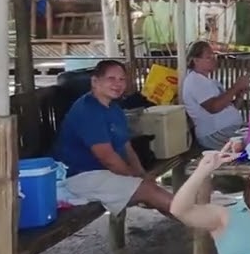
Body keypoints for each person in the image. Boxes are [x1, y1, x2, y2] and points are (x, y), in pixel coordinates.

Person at [55, 59, 175, 215]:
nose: (117, 84)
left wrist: (141, 174)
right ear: (95, 81)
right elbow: (108, 158)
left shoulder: (114, 108)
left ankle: (199, 224)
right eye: (111, 79)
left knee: (151, 190)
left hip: (101, 173)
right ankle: (202, 223)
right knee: (149, 191)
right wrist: (136, 178)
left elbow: (126, 146)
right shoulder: (87, 110)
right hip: (79, 177)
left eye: (122, 79)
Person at [181, 41, 250, 149]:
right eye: (209, 57)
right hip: (214, 134)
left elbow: (227, 108)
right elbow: (213, 108)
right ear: (196, 60)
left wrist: (239, 96)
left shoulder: (210, 81)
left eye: (214, 56)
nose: (214, 60)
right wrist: (236, 87)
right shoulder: (194, 80)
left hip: (227, 129)